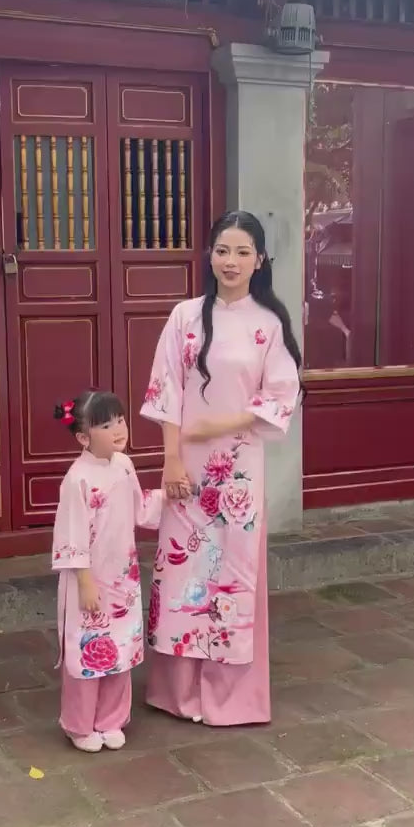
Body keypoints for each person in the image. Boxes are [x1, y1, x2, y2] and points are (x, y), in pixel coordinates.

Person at [140, 210, 301, 726]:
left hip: (238, 474)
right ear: (209, 255)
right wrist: (169, 461)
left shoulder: (269, 324)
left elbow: (281, 397)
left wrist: (221, 425)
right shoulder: (184, 317)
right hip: (185, 468)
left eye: (242, 252)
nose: (230, 261)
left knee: (231, 577)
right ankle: (179, 694)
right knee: (183, 572)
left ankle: (229, 699)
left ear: (259, 261)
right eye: (222, 250)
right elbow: (165, 391)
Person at [51, 389, 163, 752]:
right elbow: (71, 535)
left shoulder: (124, 465)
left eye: (120, 420)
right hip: (90, 578)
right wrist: (84, 582)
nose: (118, 429)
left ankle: (112, 720)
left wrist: (170, 495)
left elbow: (139, 508)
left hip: (123, 576)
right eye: (105, 424)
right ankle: (80, 725)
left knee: (120, 646)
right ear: (83, 437)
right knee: (87, 649)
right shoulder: (77, 479)